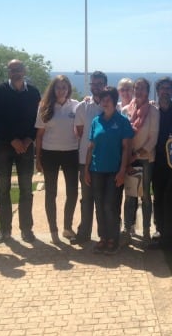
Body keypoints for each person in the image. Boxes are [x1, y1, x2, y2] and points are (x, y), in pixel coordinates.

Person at [0, 59, 41, 244]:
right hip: (5, 145)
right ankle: (4, 230)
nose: (16, 72)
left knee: (26, 190)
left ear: (24, 70)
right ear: (8, 72)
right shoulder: (0, 91)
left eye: (18, 69)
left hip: (27, 147)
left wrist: (28, 139)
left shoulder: (34, 92)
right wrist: (13, 140)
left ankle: (26, 230)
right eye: (12, 70)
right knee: (2, 189)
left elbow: (38, 119)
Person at [85, 87, 134, 254]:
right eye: (102, 98)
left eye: (108, 98)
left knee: (110, 206)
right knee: (99, 205)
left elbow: (127, 148)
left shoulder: (122, 121)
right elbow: (91, 147)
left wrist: (122, 171)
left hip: (114, 171)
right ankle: (103, 238)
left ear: (114, 101)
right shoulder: (96, 121)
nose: (105, 101)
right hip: (96, 170)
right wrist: (86, 170)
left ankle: (113, 238)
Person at [35, 75, 80, 244]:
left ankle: (67, 228)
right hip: (49, 154)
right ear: (53, 89)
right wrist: (37, 159)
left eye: (64, 87)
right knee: (51, 193)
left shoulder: (76, 106)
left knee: (73, 192)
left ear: (68, 89)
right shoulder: (44, 107)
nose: (61, 90)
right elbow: (39, 136)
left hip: (71, 153)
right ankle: (53, 229)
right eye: (58, 87)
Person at [121, 78, 160, 243]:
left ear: (148, 91)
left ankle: (145, 230)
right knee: (130, 194)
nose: (139, 91)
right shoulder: (125, 110)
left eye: (142, 88)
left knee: (144, 195)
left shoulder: (153, 111)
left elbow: (153, 139)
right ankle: (128, 228)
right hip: (128, 159)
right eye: (137, 88)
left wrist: (135, 155)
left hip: (144, 158)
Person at [72, 71, 108, 245]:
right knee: (86, 199)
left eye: (100, 84)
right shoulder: (82, 107)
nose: (97, 87)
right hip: (84, 160)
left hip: (105, 162)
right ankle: (84, 233)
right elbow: (80, 133)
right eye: (94, 84)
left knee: (101, 200)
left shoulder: (110, 105)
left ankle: (103, 235)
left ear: (105, 85)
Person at [150, 76, 172, 249]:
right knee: (158, 197)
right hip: (156, 161)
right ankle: (159, 229)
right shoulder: (152, 110)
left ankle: (170, 234)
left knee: (171, 198)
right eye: (162, 88)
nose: (165, 91)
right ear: (157, 91)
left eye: (168, 88)